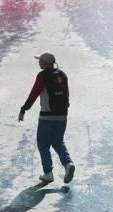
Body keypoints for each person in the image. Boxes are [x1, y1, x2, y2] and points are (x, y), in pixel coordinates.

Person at [19, 52, 75, 184]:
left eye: (41, 61)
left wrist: (24, 109)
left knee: (43, 144)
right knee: (58, 142)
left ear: (45, 63)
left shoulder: (42, 76)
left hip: (47, 116)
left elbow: (34, 94)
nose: (39, 62)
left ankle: (48, 173)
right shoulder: (62, 74)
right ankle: (68, 164)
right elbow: (67, 95)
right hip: (63, 115)